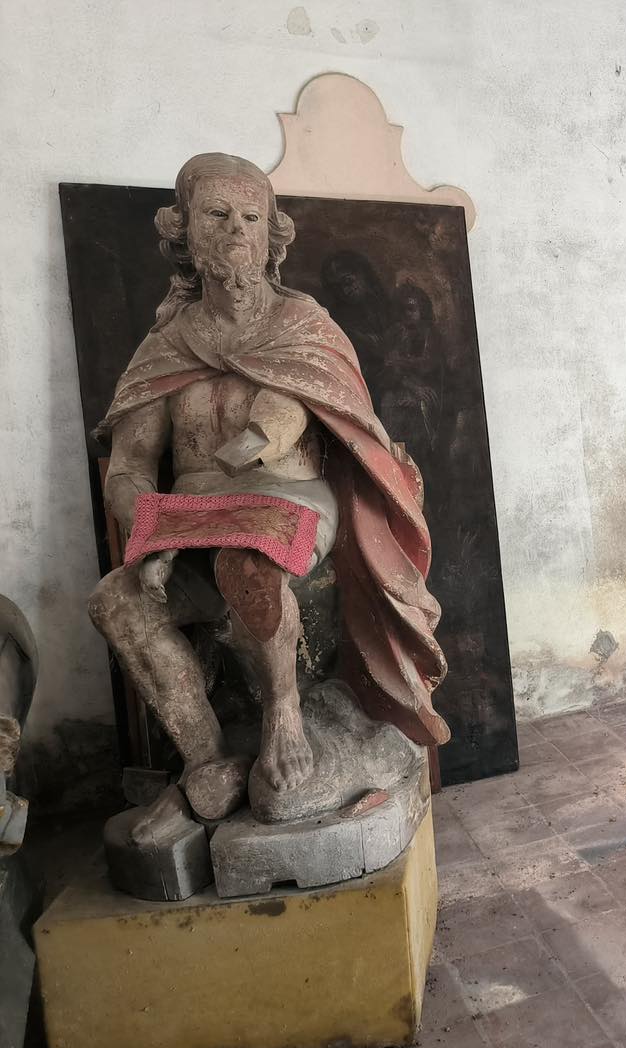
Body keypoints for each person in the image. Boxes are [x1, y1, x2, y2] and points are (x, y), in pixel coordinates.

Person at [87, 153, 448, 841]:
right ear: (184, 231)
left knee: (247, 561)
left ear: (272, 236)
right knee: (115, 601)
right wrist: (148, 530)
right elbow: (129, 468)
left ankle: (285, 716)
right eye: (217, 215)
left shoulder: (302, 327)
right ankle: (208, 761)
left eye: (252, 218)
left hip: (292, 504)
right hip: (190, 520)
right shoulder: (165, 346)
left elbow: (340, 430)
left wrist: (255, 444)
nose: (236, 231)